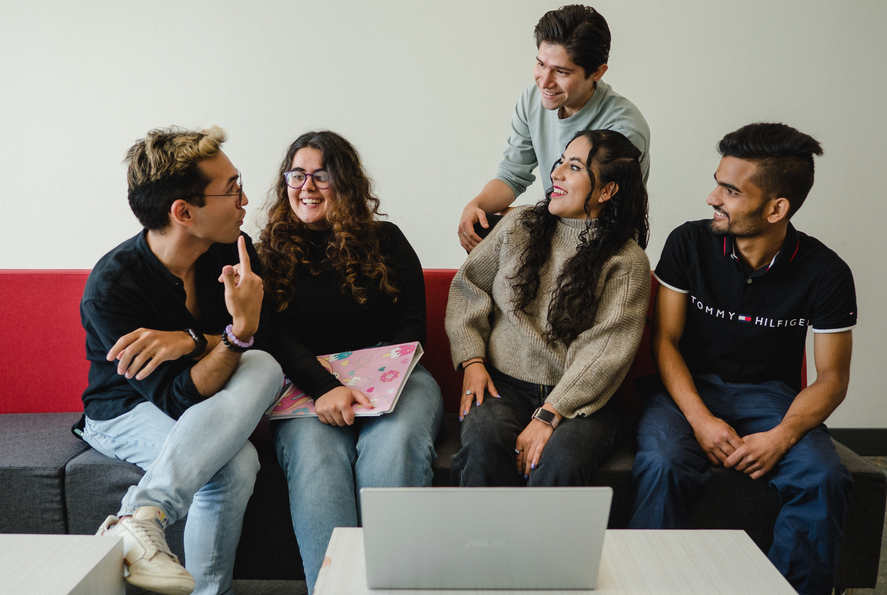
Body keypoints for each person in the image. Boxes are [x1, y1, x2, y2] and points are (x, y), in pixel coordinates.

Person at [628, 123, 856, 595]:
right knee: (664, 462)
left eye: (730, 191)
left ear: (777, 208)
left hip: (770, 399)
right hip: (685, 390)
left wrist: (781, 436)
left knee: (823, 478)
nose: (713, 197)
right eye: (718, 182)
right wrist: (700, 419)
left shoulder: (827, 272)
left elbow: (832, 379)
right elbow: (664, 341)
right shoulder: (688, 243)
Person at [79, 127, 285, 595]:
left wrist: (190, 341)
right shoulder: (113, 290)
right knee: (233, 466)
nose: (245, 199)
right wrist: (230, 338)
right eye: (232, 189)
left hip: (200, 394)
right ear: (184, 212)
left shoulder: (235, 253)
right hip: (124, 410)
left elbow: (260, 340)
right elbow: (178, 397)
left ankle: (139, 515)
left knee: (266, 366)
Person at [258, 130, 444, 590]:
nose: (307, 186)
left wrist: (380, 388)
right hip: (307, 387)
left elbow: (411, 323)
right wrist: (327, 389)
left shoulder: (387, 239)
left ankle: (395, 586)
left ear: (346, 183)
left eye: (321, 176)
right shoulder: (269, 255)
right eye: (297, 175)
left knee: (392, 448)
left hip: (398, 381)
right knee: (317, 464)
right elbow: (277, 338)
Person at [446, 129, 651, 486]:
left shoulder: (626, 261)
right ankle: (480, 544)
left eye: (574, 167)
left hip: (583, 402)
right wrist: (472, 361)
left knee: (558, 464)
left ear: (607, 190)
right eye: (561, 163)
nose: (555, 174)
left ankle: (541, 545)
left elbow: (605, 351)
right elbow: (468, 287)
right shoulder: (518, 223)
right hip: (502, 387)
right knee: (483, 445)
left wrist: (548, 415)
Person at [457, 4, 651, 252]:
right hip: (553, 225)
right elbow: (511, 175)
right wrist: (476, 206)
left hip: (600, 245)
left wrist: (518, 217)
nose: (545, 82)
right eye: (541, 65)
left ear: (597, 72)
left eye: (561, 71)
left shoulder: (625, 128)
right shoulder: (531, 100)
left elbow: (599, 216)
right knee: (483, 224)